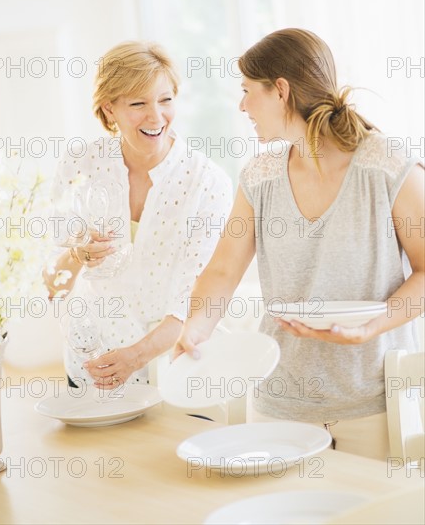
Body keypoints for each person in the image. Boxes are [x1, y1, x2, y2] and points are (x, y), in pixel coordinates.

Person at [174, 28, 424, 460]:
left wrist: (373, 326)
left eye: (248, 91)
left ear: (282, 91)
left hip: (374, 403)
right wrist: (196, 327)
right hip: (279, 404)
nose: (242, 105)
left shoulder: (387, 166)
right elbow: (222, 270)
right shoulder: (259, 175)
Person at [43, 41, 232, 389]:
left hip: (178, 367)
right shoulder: (79, 165)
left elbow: (193, 299)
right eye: (137, 103)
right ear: (109, 108)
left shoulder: (207, 182)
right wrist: (76, 255)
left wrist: (135, 356)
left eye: (165, 100)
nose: (156, 117)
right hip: (93, 364)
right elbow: (53, 283)